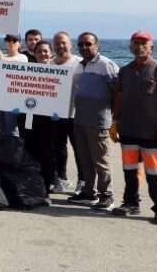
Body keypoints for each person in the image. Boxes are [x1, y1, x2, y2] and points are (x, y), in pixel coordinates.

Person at [110, 31, 157, 225]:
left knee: (155, 174)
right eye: (136, 43)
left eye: (144, 43)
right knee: (130, 171)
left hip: (152, 133)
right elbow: (119, 98)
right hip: (128, 131)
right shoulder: (124, 71)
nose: (139, 46)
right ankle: (131, 204)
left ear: (151, 48)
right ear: (130, 47)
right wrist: (115, 121)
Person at [67, 32, 119, 211]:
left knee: (101, 160)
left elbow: (117, 92)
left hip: (98, 121)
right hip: (80, 119)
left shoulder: (105, 64)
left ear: (97, 45)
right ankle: (89, 192)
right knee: (85, 159)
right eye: (80, 44)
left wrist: (116, 119)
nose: (84, 47)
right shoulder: (80, 66)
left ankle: (107, 196)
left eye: (88, 44)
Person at [22, 41, 59, 206]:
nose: (43, 54)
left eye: (45, 51)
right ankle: (30, 189)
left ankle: (45, 191)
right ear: (34, 53)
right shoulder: (27, 71)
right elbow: (17, 90)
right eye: (39, 51)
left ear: (50, 53)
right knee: (29, 153)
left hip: (48, 121)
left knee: (46, 155)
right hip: (28, 117)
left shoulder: (59, 73)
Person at [51, 31, 84, 194]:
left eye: (63, 42)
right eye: (57, 43)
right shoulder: (49, 64)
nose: (60, 46)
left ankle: (83, 181)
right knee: (58, 148)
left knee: (80, 149)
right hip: (56, 115)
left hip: (76, 114)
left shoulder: (80, 63)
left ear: (70, 44)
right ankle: (62, 179)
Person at [0, 33, 28, 137]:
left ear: (20, 44)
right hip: (0, 99)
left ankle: (14, 152)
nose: (11, 42)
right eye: (8, 39)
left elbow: (3, 61)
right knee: (3, 131)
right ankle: (6, 152)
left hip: (13, 101)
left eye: (14, 40)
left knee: (12, 131)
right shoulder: (2, 58)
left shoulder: (22, 58)